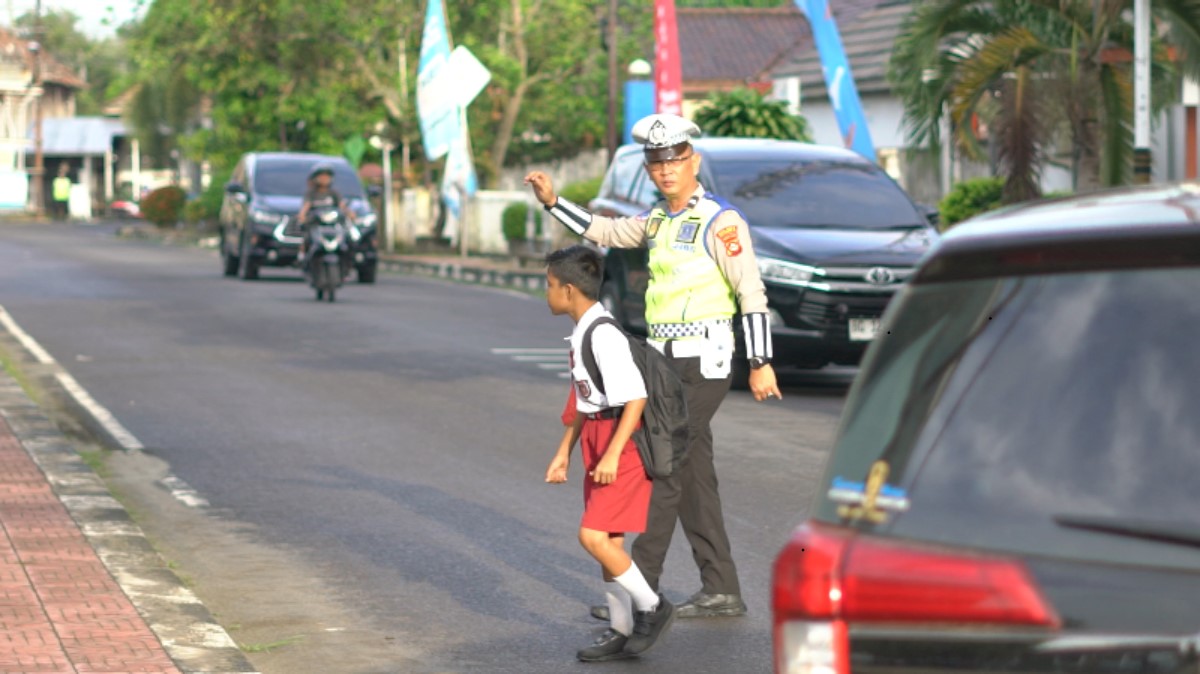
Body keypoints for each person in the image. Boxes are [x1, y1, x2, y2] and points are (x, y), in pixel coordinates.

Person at [525, 113, 782, 620]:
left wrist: (760, 362)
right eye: (657, 163)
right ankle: (721, 587)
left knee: (662, 464)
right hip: (663, 361)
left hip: (705, 360)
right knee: (692, 473)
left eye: (676, 161)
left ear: (695, 161)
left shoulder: (720, 221)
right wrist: (554, 204)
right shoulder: (660, 219)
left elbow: (751, 292)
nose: (666, 171)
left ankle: (637, 589)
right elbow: (606, 230)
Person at [543, 245, 675, 661]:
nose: (544, 292)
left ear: (568, 290)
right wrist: (564, 451)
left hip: (622, 443)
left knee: (592, 536)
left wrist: (614, 454)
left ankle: (653, 607)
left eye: (547, 285)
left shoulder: (602, 333)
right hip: (598, 439)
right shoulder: (583, 329)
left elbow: (634, 398)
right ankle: (619, 629)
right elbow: (584, 401)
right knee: (610, 539)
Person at [296, 163, 356, 262]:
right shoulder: (311, 193)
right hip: (315, 223)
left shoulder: (334, 193)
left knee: (348, 236)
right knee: (305, 234)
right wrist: (302, 216)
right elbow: (305, 207)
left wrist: (350, 214)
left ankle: (349, 260)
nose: (325, 179)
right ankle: (302, 254)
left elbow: (342, 206)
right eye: (322, 176)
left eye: (327, 176)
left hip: (331, 224)